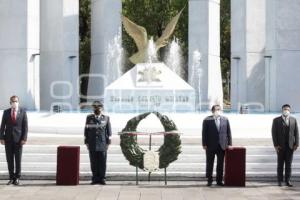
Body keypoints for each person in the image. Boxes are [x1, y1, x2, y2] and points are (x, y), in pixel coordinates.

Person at [0, 95, 28, 185]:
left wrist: (24, 138)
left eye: (16, 101)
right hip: (8, 140)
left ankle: (17, 178)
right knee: (9, 159)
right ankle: (11, 178)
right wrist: (1, 138)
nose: (14, 103)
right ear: (10, 103)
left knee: (18, 160)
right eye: (13, 101)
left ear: (18, 102)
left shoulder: (23, 112)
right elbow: (2, 126)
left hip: (18, 140)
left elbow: (25, 127)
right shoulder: (6, 112)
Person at [202, 105, 232, 186]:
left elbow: (228, 132)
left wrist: (229, 144)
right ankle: (209, 180)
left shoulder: (225, 119)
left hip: (221, 145)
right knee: (209, 163)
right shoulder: (207, 120)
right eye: (216, 109)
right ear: (212, 111)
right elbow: (204, 133)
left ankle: (219, 180)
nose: (217, 111)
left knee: (220, 164)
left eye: (219, 109)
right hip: (210, 145)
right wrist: (204, 144)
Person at [84, 101, 112, 185]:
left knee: (102, 162)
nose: (97, 109)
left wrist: (108, 143)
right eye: (95, 107)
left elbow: (109, 132)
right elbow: (86, 130)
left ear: (101, 108)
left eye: (99, 107)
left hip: (102, 143)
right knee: (93, 162)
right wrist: (87, 142)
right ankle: (95, 178)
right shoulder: (89, 118)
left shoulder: (106, 118)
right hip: (92, 143)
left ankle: (102, 178)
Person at [272, 104, 299, 187]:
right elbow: (274, 133)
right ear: (282, 110)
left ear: (290, 110)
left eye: (287, 109)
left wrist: (296, 144)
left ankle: (288, 181)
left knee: (289, 165)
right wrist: (276, 145)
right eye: (284, 109)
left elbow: (296, 133)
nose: (286, 110)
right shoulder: (276, 120)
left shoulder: (293, 120)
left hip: (290, 146)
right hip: (280, 147)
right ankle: (279, 181)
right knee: (280, 164)